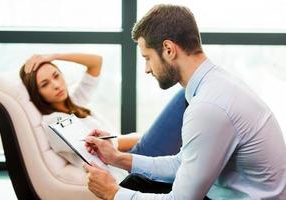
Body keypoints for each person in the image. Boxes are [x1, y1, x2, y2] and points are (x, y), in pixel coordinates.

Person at [84, 4, 286, 200]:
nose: (146, 69)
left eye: (147, 58)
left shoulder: (208, 107)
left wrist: (113, 193)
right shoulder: (217, 84)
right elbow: (182, 163)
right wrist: (117, 158)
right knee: (138, 182)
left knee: (128, 189)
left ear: (169, 49)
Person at [19, 53, 187, 172]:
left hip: (129, 153)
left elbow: (96, 62)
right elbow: (102, 147)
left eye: (56, 75)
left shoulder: (74, 101)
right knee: (184, 96)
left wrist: (53, 56)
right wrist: (143, 137)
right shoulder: (54, 122)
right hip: (127, 161)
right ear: (36, 93)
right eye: (45, 84)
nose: (56, 85)